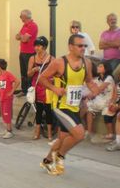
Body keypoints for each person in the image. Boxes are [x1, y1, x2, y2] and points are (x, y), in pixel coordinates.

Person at [38, 34, 99, 175]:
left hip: (75, 105)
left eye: (84, 45)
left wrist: (96, 90)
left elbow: (89, 80)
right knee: (79, 134)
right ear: (70, 47)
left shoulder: (87, 63)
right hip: (61, 105)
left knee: (63, 138)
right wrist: (54, 89)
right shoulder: (59, 62)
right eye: (80, 45)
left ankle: (47, 161)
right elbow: (42, 78)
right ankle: (59, 158)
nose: (83, 48)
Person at [27, 36, 54, 140]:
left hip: (47, 86)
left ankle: (50, 134)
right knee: (38, 109)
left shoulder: (51, 59)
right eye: (35, 45)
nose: (36, 48)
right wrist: (34, 69)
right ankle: (37, 132)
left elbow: (56, 73)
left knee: (48, 110)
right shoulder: (32, 58)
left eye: (39, 46)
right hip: (37, 86)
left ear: (44, 47)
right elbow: (28, 74)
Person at [85, 62, 115, 141]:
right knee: (88, 108)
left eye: (100, 66)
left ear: (106, 68)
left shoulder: (109, 78)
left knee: (88, 104)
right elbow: (93, 88)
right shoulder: (98, 79)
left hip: (108, 101)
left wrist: (90, 95)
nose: (98, 67)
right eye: (98, 66)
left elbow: (99, 89)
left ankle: (110, 134)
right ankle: (89, 131)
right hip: (100, 100)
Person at [102, 69, 120, 141]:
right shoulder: (117, 85)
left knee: (119, 115)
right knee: (106, 114)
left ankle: (118, 137)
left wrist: (119, 106)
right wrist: (112, 104)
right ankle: (110, 133)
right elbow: (114, 96)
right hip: (117, 103)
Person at [15, 9, 38, 97]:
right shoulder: (24, 25)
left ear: (25, 16)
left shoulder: (32, 25)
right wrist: (22, 37)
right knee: (23, 72)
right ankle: (24, 90)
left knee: (29, 73)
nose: (20, 17)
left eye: (21, 16)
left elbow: (24, 39)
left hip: (30, 53)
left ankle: (30, 91)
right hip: (22, 52)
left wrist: (22, 37)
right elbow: (17, 37)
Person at [0, 58, 20, 139]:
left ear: (0, 67)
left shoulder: (8, 74)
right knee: (3, 114)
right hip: (2, 98)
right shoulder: (1, 75)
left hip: (7, 98)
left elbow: (17, 81)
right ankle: (6, 129)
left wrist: (12, 91)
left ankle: (9, 131)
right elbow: (1, 87)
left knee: (7, 114)